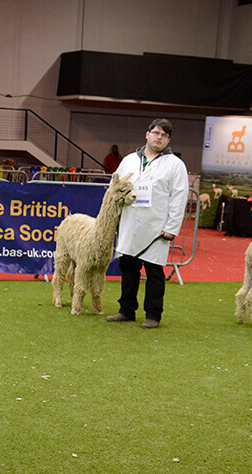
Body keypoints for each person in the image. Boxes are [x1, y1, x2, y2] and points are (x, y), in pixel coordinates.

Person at [106, 119, 188, 329]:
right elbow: (115, 188)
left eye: (164, 135)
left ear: (168, 140)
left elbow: (179, 197)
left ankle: (153, 314)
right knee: (128, 268)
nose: (159, 137)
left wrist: (171, 228)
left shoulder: (175, 165)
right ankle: (126, 310)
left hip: (156, 226)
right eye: (156, 133)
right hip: (130, 223)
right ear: (147, 134)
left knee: (154, 272)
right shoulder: (129, 160)